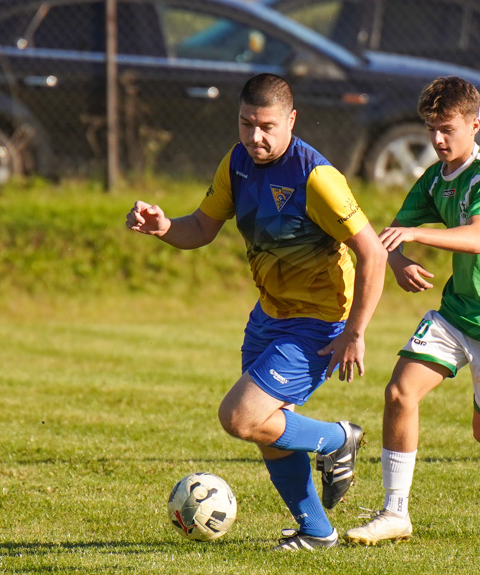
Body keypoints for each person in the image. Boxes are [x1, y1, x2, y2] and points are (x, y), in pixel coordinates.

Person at [126, 73, 386, 551]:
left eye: (266, 126)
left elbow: (373, 253)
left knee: (241, 417)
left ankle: (337, 440)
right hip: (269, 315)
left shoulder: (317, 178)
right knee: (270, 428)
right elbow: (203, 226)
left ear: (291, 120)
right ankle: (316, 531)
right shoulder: (237, 162)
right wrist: (163, 226)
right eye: (246, 123)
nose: (255, 136)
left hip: (318, 321)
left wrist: (356, 332)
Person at [344, 76, 480, 545]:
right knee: (400, 391)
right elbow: (391, 235)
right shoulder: (435, 178)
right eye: (431, 129)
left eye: (447, 129)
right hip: (458, 312)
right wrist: (398, 261)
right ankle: (395, 512)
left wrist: (416, 237)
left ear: (475, 125)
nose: (438, 140)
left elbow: (479, 237)